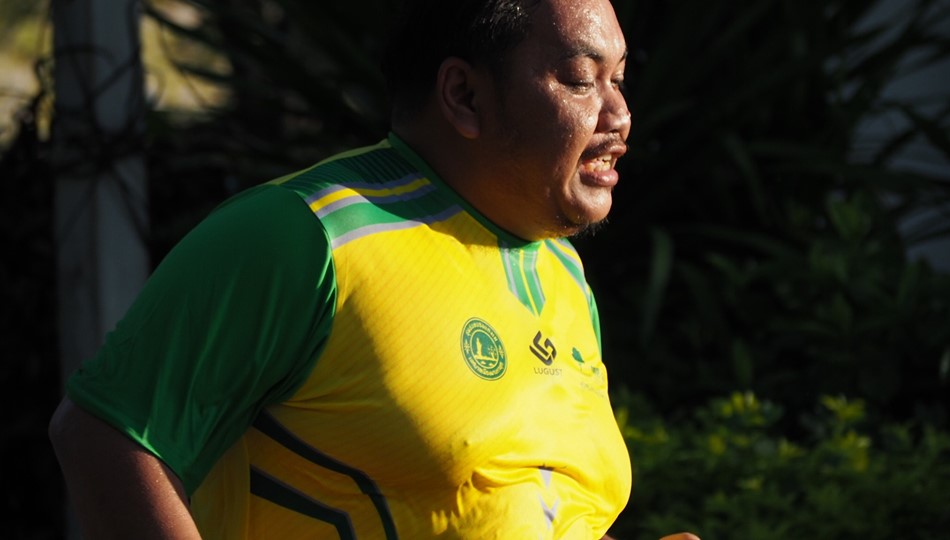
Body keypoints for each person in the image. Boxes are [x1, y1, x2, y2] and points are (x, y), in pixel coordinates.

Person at [48, 0, 700, 538]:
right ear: (464, 95)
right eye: (582, 80)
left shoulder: (562, 273)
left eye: (619, 79)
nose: (619, 116)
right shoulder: (304, 235)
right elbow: (102, 438)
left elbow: (503, 508)